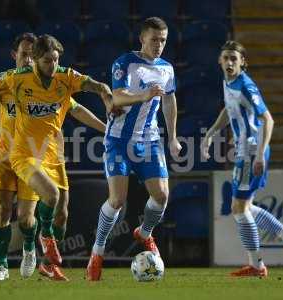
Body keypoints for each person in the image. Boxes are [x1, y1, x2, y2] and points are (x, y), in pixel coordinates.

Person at [0, 34, 110, 281]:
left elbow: (75, 108)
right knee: (3, 211)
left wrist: (107, 127)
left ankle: (30, 251)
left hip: (40, 155)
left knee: (27, 218)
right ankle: (2, 265)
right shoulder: (9, 81)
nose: (28, 58)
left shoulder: (55, 82)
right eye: (24, 54)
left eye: (31, 54)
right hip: (6, 155)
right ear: (16, 55)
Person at [85, 17, 182, 281]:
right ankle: (97, 252)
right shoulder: (125, 62)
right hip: (117, 139)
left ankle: (145, 233)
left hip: (149, 141)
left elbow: (169, 101)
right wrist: (144, 95)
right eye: (154, 40)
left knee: (162, 195)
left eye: (163, 40)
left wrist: (172, 137)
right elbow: (117, 96)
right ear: (142, 39)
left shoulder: (166, 68)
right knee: (117, 200)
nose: (158, 45)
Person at [201, 40, 283, 277]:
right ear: (220, 60)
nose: (229, 62)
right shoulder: (228, 82)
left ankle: (257, 265)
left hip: (251, 151)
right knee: (246, 206)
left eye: (234, 59)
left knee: (238, 208)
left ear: (242, 63)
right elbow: (229, 109)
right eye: (226, 58)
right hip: (244, 150)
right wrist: (210, 133)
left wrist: (259, 153)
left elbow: (268, 120)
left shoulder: (246, 85)